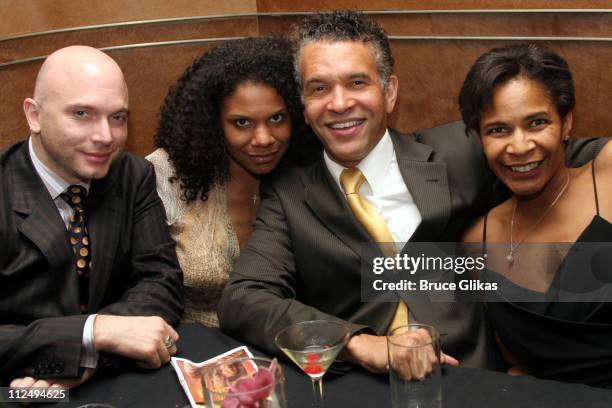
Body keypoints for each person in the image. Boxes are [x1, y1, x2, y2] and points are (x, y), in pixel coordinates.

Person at [218, 10, 607, 375]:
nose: (339, 103)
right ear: (304, 106)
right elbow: (244, 299)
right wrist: (354, 342)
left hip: (472, 379)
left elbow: (550, 148)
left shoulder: (461, 151)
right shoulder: (289, 196)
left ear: (389, 92)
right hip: (361, 384)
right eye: (320, 89)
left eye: (357, 82)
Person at [0, 46, 184, 389]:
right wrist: (92, 333)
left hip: (102, 378)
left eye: (118, 117)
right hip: (18, 390)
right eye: (82, 113)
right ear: (34, 116)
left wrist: (88, 357)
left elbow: (162, 284)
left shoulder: (132, 174)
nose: (106, 137)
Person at [460, 43, 612, 387]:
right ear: (480, 140)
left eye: (537, 122)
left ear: (566, 123)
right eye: (498, 130)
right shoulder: (477, 241)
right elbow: (518, 365)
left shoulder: (607, 177)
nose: (519, 146)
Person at [146, 37, 319, 327]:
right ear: (213, 123)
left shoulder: (309, 173)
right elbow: (141, 288)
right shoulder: (165, 176)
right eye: (242, 123)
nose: (264, 139)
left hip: (287, 349)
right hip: (194, 353)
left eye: (277, 118)